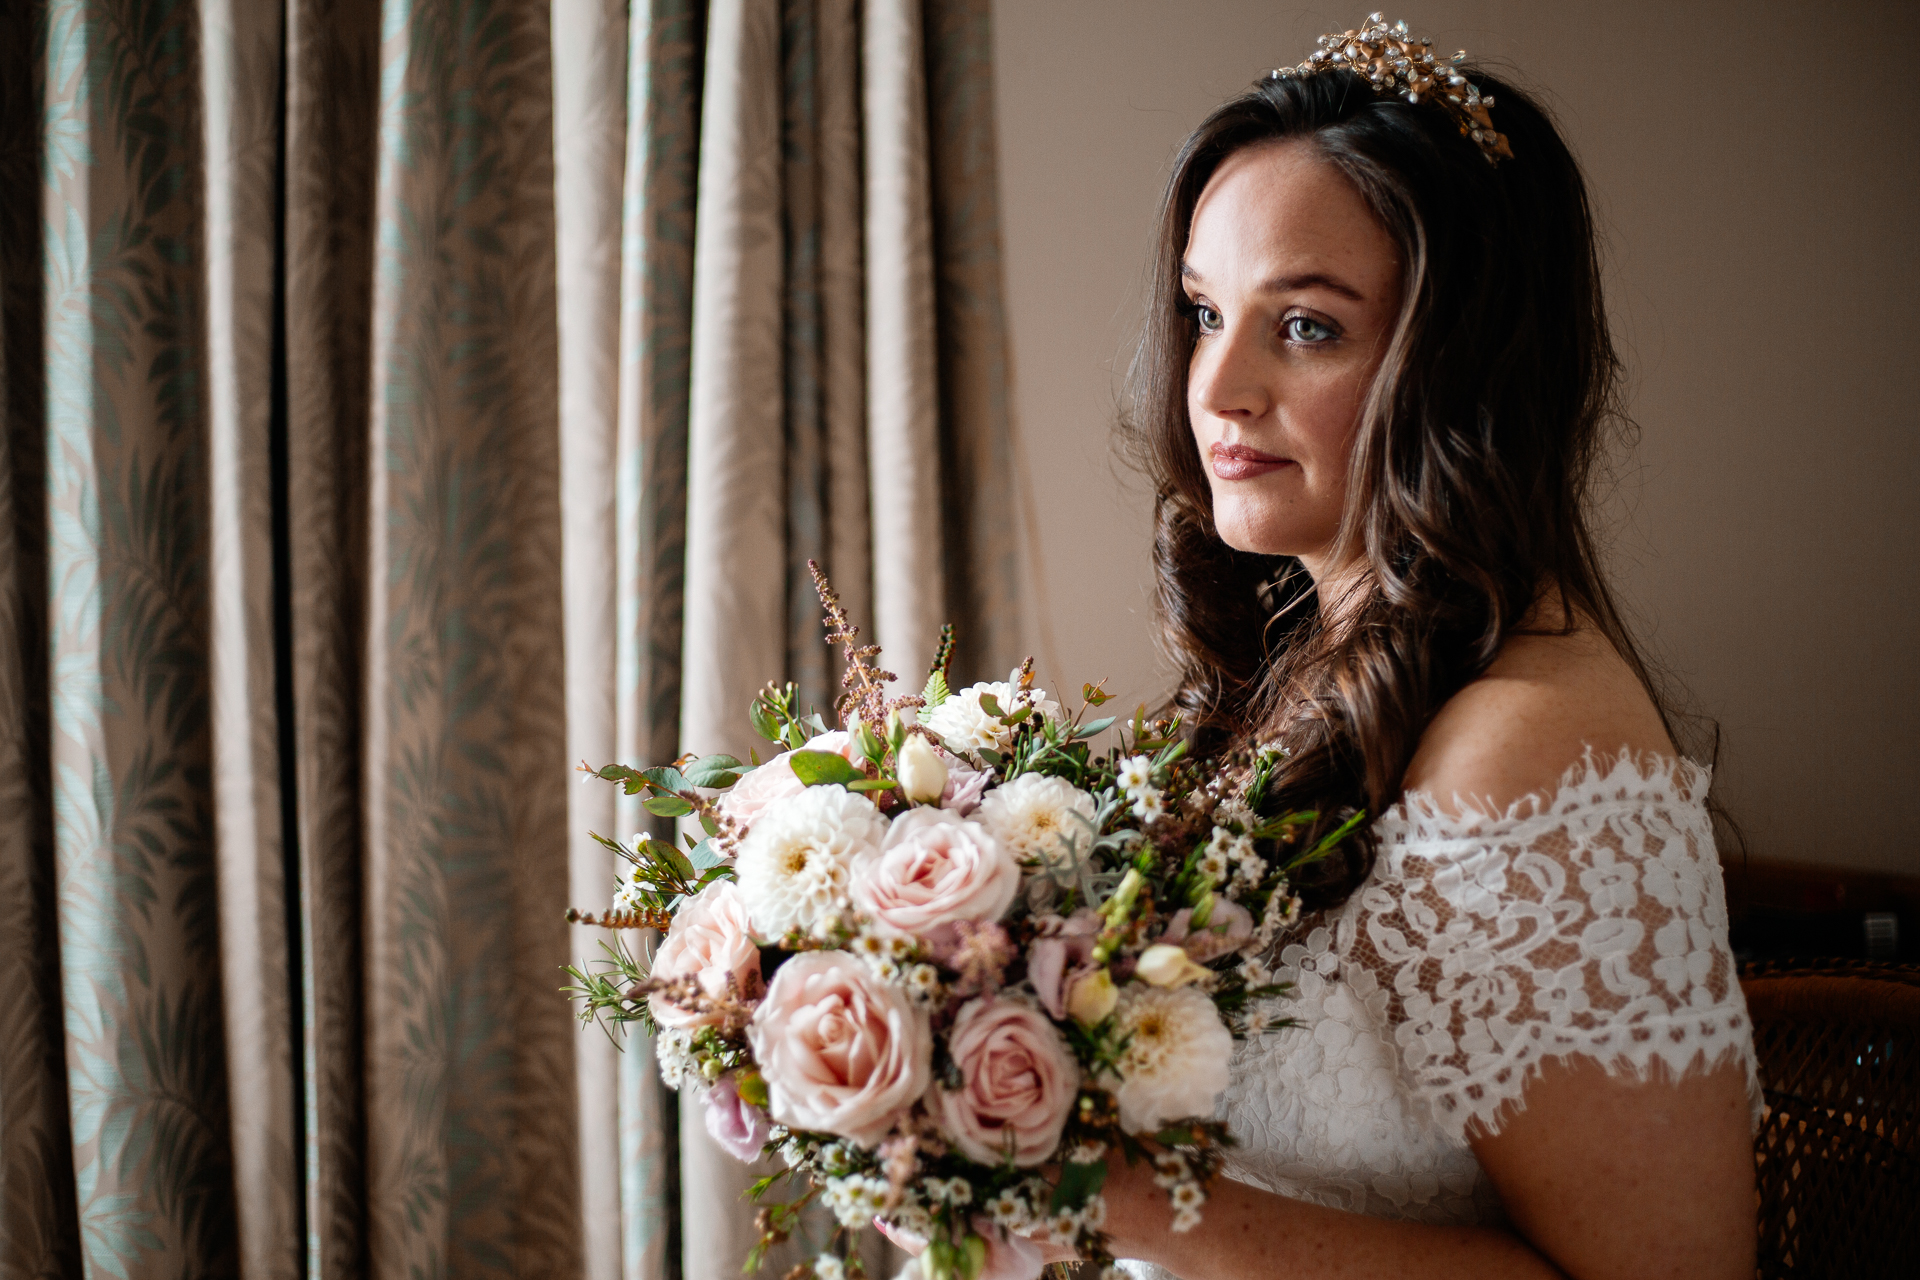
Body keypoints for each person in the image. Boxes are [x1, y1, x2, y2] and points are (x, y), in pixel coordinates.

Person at [1079, 16, 1756, 1280]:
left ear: (1460, 369)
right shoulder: (1303, 660)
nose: (1217, 384)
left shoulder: (1523, 747)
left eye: (1309, 327)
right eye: (1205, 310)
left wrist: (1101, 1196)